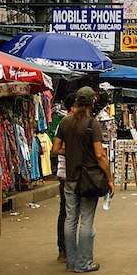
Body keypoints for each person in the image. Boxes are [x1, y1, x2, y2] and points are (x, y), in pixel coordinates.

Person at [51, 87, 114, 273]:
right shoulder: (91, 124)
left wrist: (71, 152)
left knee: (70, 219)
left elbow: (55, 148)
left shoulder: (65, 122)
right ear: (92, 102)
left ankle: (71, 262)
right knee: (86, 219)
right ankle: (84, 263)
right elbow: (100, 155)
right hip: (89, 178)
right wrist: (110, 178)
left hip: (70, 178)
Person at [53, 94, 75, 263]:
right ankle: (64, 249)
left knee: (73, 213)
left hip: (79, 174)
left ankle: (70, 249)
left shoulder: (82, 123)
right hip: (65, 173)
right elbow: (56, 149)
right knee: (66, 212)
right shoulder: (64, 123)